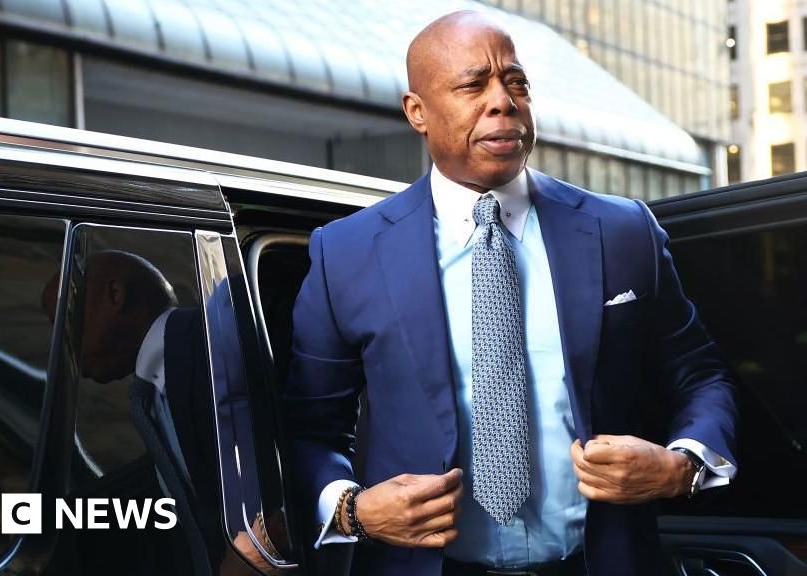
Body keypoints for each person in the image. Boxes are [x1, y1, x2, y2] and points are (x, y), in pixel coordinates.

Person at [284, 10, 737, 576]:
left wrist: (680, 466)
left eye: (515, 82)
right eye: (473, 85)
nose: (503, 101)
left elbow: (700, 375)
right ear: (417, 111)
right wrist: (354, 510)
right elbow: (308, 427)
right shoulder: (347, 253)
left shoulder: (622, 231)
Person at [41, 251, 281, 576]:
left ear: (114, 295)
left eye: (65, 323)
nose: (61, 346)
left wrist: (257, 553)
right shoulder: (156, 398)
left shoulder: (221, 341)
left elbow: (288, 474)